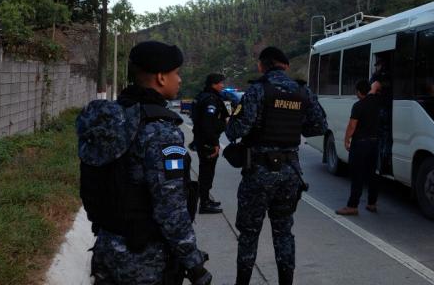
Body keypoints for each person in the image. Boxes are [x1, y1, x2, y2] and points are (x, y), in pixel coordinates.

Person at [77, 41, 211, 285]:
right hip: (145, 260)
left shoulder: (110, 119)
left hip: (107, 248)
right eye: (176, 73)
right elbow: (170, 209)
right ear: (161, 77)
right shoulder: (160, 130)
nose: (179, 80)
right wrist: (194, 263)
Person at [225, 46, 327, 285]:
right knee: (283, 232)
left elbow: (235, 131)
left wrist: (232, 121)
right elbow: (319, 127)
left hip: (259, 173)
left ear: (262, 65)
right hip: (290, 173)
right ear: (287, 66)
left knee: (249, 234)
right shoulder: (303, 91)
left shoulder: (257, 90)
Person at [336, 80, 382, 215]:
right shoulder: (376, 102)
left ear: (358, 92)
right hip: (374, 143)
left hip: (360, 144)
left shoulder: (358, 105)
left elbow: (352, 126)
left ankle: (352, 206)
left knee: (357, 175)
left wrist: (346, 140)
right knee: (372, 174)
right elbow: (376, 85)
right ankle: (372, 203)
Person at [191, 73, 229, 214]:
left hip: (202, 138)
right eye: (220, 83)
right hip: (207, 141)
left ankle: (205, 198)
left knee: (206, 171)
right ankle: (204, 204)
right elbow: (207, 124)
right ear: (213, 84)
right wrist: (214, 142)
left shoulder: (203, 96)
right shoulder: (211, 100)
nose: (222, 85)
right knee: (207, 172)